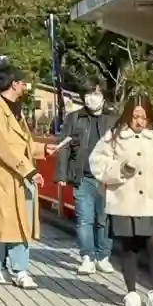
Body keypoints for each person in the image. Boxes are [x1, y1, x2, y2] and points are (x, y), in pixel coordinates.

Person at [89, 95, 153, 306]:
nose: (140, 121)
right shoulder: (114, 136)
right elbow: (97, 161)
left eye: (144, 117)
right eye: (135, 116)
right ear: (127, 115)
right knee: (129, 246)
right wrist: (120, 169)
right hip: (124, 200)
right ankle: (131, 293)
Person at [0, 61, 43, 288]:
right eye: (22, 82)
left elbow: (24, 142)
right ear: (14, 84)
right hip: (1, 175)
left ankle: (19, 268)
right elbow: (3, 146)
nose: (24, 85)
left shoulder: (15, 109)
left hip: (18, 175)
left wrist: (43, 150)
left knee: (20, 223)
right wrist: (29, 170)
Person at [54, 79, 115, 275]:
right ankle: (87, 257)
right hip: (82, 176)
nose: (91, 98)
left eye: (95, 94)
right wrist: (61, 174)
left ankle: (103, 256)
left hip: (107, 178)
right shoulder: (74, 118)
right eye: (87, 94)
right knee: (84, 219)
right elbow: (62, 146)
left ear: (103, 96)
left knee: (105, 219)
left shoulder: (114, 119)